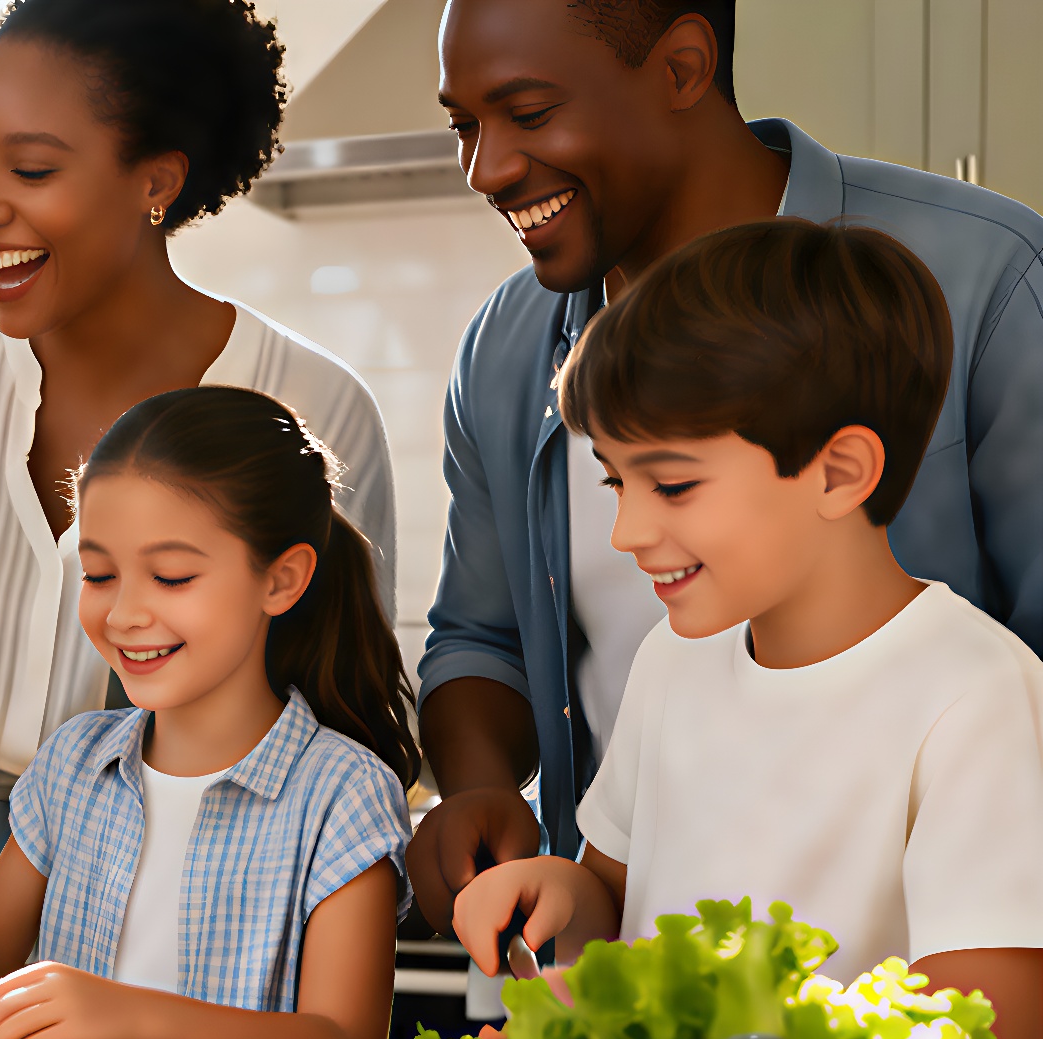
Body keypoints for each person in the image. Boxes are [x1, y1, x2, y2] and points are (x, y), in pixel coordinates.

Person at [0, 0, 400, 1039]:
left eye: (30, 169)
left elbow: (326, 679)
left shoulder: (312, 405)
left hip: (207, 869)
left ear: (154, 179)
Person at [410, 0, 1043, 954]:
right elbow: (478, 637)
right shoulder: (502, 350)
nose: (486, 168)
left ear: (681, 67)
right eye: (464, 126)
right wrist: (484, 796)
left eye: (529, 114)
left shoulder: (988, 276)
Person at [451, 220, 1043, 1039]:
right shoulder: (671, 662)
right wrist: (557, 900)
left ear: (840, 474)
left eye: (675, 485)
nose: (626, 531)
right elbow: (613, 898)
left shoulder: (978, 697)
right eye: (617, 482)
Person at [0, 388, 413, 1039]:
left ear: (282, 580)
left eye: (171, 576)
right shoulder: (72, 764)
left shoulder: (343, 791)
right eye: (99, 574)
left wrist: (135, 1016)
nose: (125, 613)